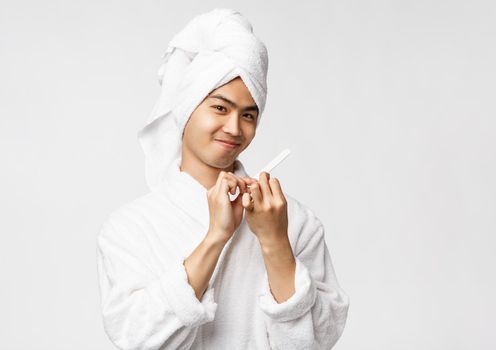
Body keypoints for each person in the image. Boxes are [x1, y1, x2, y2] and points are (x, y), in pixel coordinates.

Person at [96, 8, 349, 350]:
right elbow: (137, 339)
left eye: (248, 115)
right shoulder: (130, 228)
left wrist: (275, 242)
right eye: (219, 108)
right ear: (187, 108)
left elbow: (314, 343)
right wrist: (216, 236)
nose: (234, 128)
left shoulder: (295, 223)